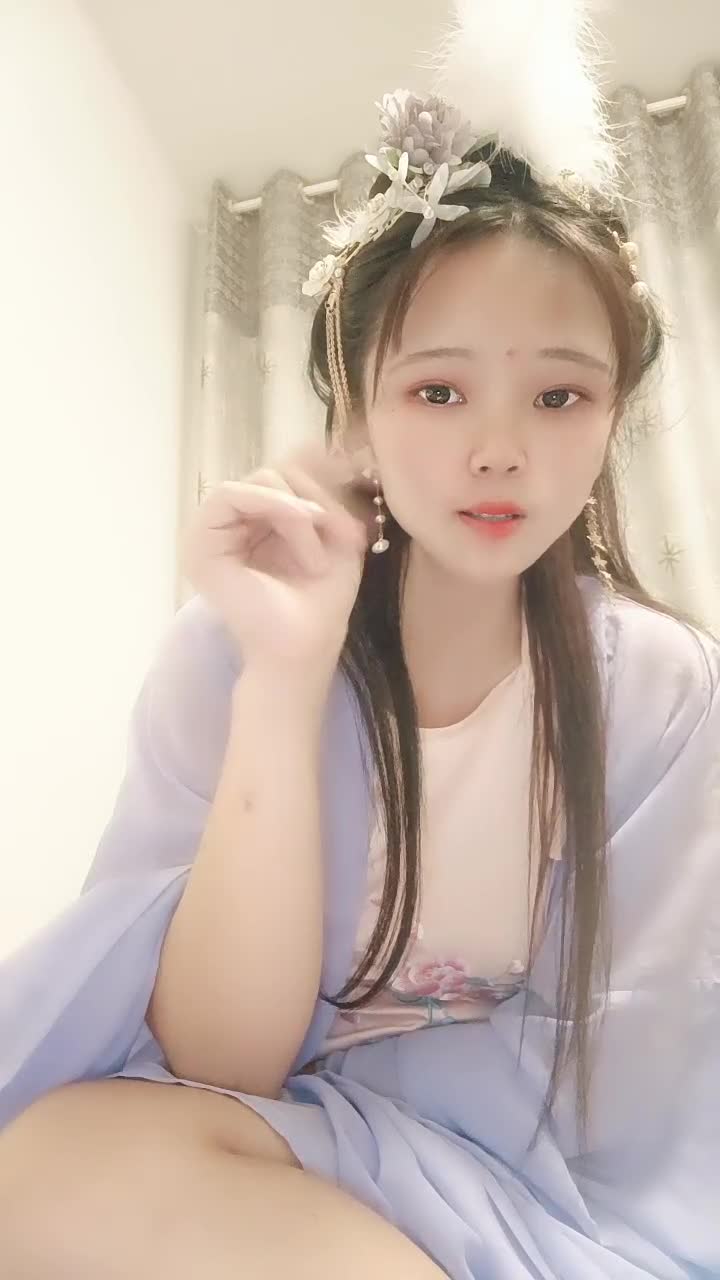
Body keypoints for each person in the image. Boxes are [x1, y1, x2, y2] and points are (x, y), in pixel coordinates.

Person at [1, 4, 719, 1277]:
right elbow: (224, 1061)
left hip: (535, 1179)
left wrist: (391, 1098)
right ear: (357, 414)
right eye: (438, 389)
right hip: (298, 1148)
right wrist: (287, 672)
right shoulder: (227, 652)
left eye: (559, 393)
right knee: (47, 1165)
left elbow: (644, 1082)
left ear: (613, 419)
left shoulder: (660, 685)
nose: (499, 447)